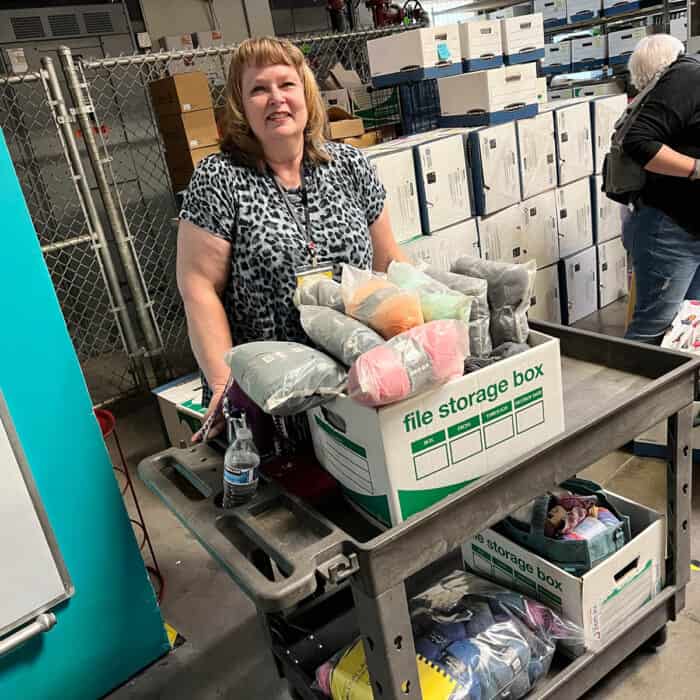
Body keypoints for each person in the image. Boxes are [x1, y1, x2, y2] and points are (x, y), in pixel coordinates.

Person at [176, 37, 408, 443]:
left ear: (306, 94)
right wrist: (222, 385)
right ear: (241, 106)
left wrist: (416, 340)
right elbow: (198, 286)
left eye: (286, 85)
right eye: (259, 89)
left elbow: (387, 263)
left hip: (353, 382)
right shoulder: (219, 178)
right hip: (268, 397)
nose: (276, 99)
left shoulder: (350, 165)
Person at [622, 34, 700, 344]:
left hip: (690, 227)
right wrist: (696, 169)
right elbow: (637, 142)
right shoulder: (687, 76)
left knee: (688, 325)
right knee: (651, 330)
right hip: (671, 230)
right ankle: (631, 391)